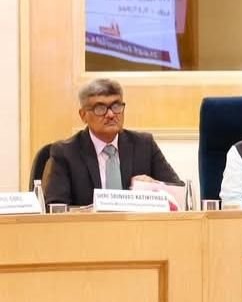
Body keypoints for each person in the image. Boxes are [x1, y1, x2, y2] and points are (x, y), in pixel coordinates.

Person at [43, 78, 181, 206]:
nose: (110, 115)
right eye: (100, 108)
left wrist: (155, 187)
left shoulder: (144, 145)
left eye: (116, 106)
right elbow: (55, 207)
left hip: (135, 224)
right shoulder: (66, 153)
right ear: (83, 115)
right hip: (89, 224)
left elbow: (180, 192)